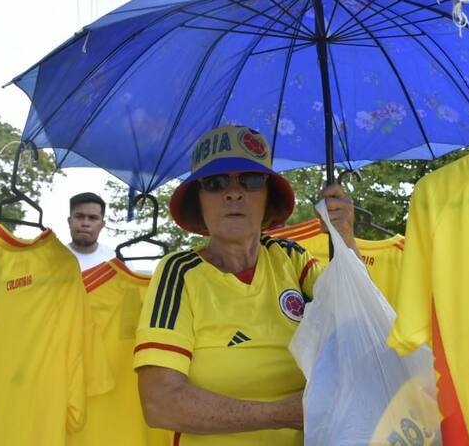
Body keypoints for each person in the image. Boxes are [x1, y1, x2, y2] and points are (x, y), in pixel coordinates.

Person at [133, 125, 358, 446]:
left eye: (250, 180)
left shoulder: (292, 259)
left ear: (267, 197)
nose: (233, 193)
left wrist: (345, 239)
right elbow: (160, 403)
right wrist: (282, 413)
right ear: (199, 201)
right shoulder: (178, 274)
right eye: (215, 183)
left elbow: (357, 321)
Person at [66, 192, 116, 270]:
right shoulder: (52, 258)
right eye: (79, 216)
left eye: (93, 218)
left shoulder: (114, 260)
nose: (85, 223)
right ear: (69, 221)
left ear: (102, 225)